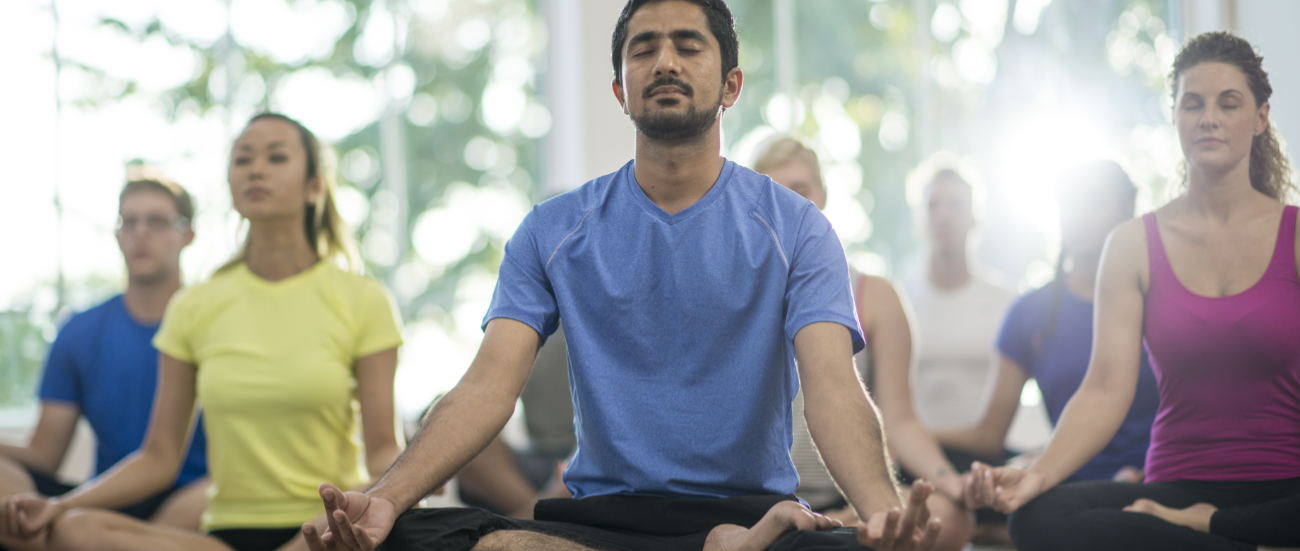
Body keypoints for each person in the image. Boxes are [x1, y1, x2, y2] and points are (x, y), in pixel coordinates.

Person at [301, 1, 941, 550]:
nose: (665, 61)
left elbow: (833, 388)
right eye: (643, 50)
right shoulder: (553, 231)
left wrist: (883, 513)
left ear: (731, 85)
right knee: (412, 536)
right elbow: (486, 389)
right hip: (603, 521)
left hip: (747, 509)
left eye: (688, 46)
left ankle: (745, 535)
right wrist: (385, 498)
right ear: (619, 89)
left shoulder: (798, 228)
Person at [0, 113, 406, 551]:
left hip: (323, 529)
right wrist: (61, 506)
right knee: (73, 531)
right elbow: (157, 458)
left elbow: (384, 450)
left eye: (276, 157)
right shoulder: (194, 306)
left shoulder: (364, 299)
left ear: (314, 186)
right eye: (243, 159)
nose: (256, 169)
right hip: (224, 538)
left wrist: (402, 488)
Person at [966, 32, 1300, 551]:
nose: (1208, 116)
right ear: (1175, 118)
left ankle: (1208, 532)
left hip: (1287, 487)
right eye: (1193, 103)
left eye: (1228, 102)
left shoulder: (1297, 237)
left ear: (1260, 118)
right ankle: (1242, 541)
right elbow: (1104, 389)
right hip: (1171, 491)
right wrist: (1041, 473)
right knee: (1038, 517)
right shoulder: (1132, 245)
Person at [752, 136, 974, 551]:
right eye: (773, 192)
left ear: (822, 195)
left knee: (950, 518)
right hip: (765, 500)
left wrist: (951, 482)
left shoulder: (875, 295)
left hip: (853, 496)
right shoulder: (736, 296)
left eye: (800, 190)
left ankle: (838, 524)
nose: (789, 205)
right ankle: (821, 528)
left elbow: (900, 420)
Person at [0, 179, 210, 550]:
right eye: (129, 222)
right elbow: (46, 455)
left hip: (193, 504)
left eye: (157, 221)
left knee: (214, 492)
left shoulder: (214, 321)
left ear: (187, 234)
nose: (141, 232)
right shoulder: (80, 331)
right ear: (117, 234)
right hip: (103, 500)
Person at [936, 161, 1160, 484]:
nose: (1079, 215)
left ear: (1127, 209)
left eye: (1094, 203)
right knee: (969, 485)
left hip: (1153, 477)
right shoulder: (1030, 312)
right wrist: (903, 435)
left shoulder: (1161, 298)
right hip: (1065, 483)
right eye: (1069, 204)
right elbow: (988, 437)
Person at [455, 325, 574, 519]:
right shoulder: (523, 314)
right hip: (538, 459)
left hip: (592, 454)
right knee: (454, 422)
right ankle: (542, 520)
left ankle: (534, 523)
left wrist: (579, 464)